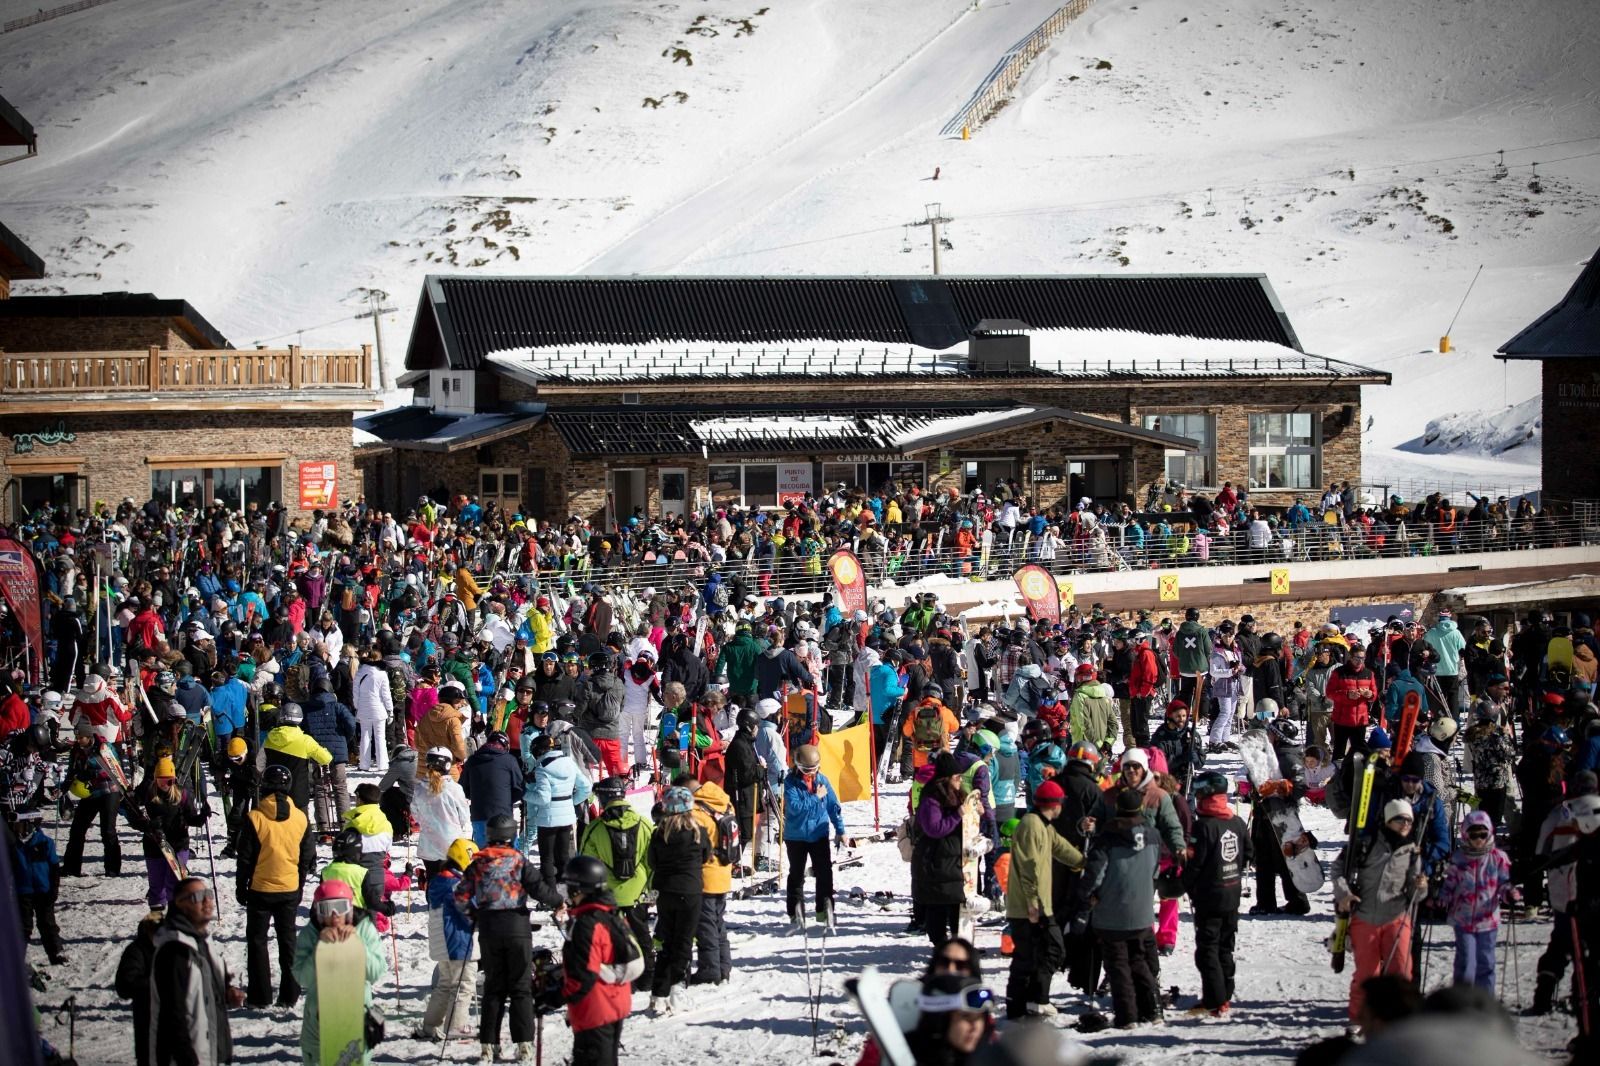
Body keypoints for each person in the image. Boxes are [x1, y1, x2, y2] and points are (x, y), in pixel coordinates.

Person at [454, 813, 550, 1061]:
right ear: (512, 834)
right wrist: (559, 901)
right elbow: (538, 888)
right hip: (517, 927)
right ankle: (523, 1045)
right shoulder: (519, 860)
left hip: (489, 928)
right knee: (520, 988)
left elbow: (461, 896)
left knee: (494, 989)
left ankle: (488, 1045)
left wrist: (474, 914)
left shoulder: (479, 862)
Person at [1333, 798, 1429, 1021]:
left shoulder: (1412, 851)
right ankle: (1360, 1019)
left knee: (1402, 973)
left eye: (1409, 820)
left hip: (1397, 917)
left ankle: (1400, 1019)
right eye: (1400, 820)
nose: (1405, 824)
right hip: (1366, 918)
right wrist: (1344, 893)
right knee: (1368, 975)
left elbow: (1417, 895)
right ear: (1388, 821)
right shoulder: (1367, 843)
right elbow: (1339, 868)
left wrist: (1421, 887)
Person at [1080, 788, 1163, 1029]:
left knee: (1117, 964)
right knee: (1138, 959)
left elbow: (1096, 873)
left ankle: (1128, 1016)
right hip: (1142, 907)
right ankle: (1154, 1008)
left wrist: (1086, 896)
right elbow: (1156, 870)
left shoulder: (1108, 836)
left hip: (1112, 909)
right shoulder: (1153, 834)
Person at [1002, 779, 1084, 1020]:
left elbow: (1061, 848)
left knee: (1047, 950)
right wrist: (1032, 903)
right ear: (1054, 804)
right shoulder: (1031, 825)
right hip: (1028, 906)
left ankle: (1036, 999)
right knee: (1031, 956)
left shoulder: (1044, 826)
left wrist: (1084, 862)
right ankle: (1017, 1006)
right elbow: (1030, 867)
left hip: (1038, 904)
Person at [236, 764, 313, 1007]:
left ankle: (260, 995)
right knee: (288, 940)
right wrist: (299, 884)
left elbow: (245, 857)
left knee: (257, 941)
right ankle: (290, 993)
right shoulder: (300, 818)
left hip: (260, 888)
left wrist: (241, 885)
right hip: (288, 887)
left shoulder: (255, 817)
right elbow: (307, 856)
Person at [557, 855, 643, 1066]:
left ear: (578, 890)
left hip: (595, 1008)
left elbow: (584, 973)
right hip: (614, 1002)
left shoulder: (587, 924)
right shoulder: (610, 913)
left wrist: (557, 995)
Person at [290, 878, 386, 1066]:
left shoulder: (365, 929)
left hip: (356, 1017)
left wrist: (356, 943)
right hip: (318, 1023)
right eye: (327, 909)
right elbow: (302, 978)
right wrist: (320, 947)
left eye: (340, 907)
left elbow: (375, 973)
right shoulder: (310, 934)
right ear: (318, 912)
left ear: (349, 909)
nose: (335, 916)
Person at [151, 877, 244, 1066]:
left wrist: (226, 993)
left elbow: (201, 990)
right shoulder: (175, 951)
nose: (207, 901)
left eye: (208, 895)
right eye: (197, 897)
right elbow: (173, 1016)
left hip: (209, 1052)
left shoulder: (202, 941)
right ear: (180, 904)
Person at [1181, 770, 1251, 1017]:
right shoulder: (1237, 822)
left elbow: (1194, 865)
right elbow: (1249, 855)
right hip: (1231, 894)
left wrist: (1182, 885)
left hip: (1209, 897)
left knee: (1207, 950)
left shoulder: (1204, 827)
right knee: (1225, 946)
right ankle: (1225, 994)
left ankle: (1215, 999)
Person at [579, 776, 657, 992]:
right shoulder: (644, 824)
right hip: (638, 891)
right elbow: (652, 861)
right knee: (642, 935)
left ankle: (617, 979)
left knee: (610, 938)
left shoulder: (595, 828)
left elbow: (586, 864)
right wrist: (648, 889)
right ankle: (647, 975)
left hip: (608, 895)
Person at [646, 785, 711, 1014]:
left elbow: (651, 862)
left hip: (665, 892)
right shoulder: (698, 831)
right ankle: (675, 989)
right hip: (690, 891)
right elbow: (707, 856)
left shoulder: (659, 833)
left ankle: (658, 993)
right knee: (683, 943)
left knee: (666, 941)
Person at [1436, 810, 1513, 993]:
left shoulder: (1497, 858)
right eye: (1473, 834)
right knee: (1467, 961)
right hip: (1463, 919)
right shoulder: (1459, 858)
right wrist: (1441, 898)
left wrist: (1509, 893)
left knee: (1486, 961)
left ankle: (1485, 1002)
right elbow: (1450, 884)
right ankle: (1463, 1000)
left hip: (1488, 920)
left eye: (1483, 834)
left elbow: (1503, 882)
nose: (1478, 839)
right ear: (1465, 834)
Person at [415, 838, 479, 1041]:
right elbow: (470, 912)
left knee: (445, 984)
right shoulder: (456, 886)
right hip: (457, 942)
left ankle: (430, 1025)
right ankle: (456, 1027)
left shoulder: (439, 881)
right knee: (463, 984)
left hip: (442, 942)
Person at [1248, 719, 1312, 915]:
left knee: (1285, 859)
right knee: (1264, 859)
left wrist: (1280, 788)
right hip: (1265, 813)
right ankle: (1266, 902)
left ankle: (1298, 900)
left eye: (1271, 733)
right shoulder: (1273, 754)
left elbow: (1301, 785)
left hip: (1281, 817)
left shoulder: (1287, 757)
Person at [783, 743, 846, 933]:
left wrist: (840, 830)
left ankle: (823, 910)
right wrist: (816, 798)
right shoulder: (790, 783)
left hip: (818, 834)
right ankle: (796, 912)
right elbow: (795, 807)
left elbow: (833, 805)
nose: (810, 774)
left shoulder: (823, 781)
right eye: (806, 770)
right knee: (797, 874)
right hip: (796, 836)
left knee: (825, 873)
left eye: (813, 770)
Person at [913, 753, 972, 948]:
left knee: (957, 903)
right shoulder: (931, 799)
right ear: (946, 778)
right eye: (957, 777)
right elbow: (934, 828)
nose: (960, 780)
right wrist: (958, 815)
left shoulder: (957, 793)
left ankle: (959, 944)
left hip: (954, 859)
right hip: (934, 859)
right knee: (937, 904)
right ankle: (940, 945)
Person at [523, 733, 591, 886]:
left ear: (538, 752)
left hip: (547, 819)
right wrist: (570, 802)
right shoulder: (569, 762)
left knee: (547, 858)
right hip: (567, 817)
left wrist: (525, 794)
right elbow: (586, 787)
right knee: (563, 855)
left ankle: (550, 892)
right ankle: (568, 889)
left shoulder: (542, 768)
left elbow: (543, 798)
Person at [61, 718, 124, 877]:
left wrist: (92, 773)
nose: (78, 740)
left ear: (88, 736)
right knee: (77, 829)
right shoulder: (76, 749)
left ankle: (112, 869)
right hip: (90, 792)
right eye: (77, 737)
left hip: (109, 791)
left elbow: (115, 769)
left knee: (107, 830)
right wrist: (65, 785)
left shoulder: (104, 747)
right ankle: (71, 867)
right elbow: (72, 769)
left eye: (81, 737)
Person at [689, 775, 737, 984]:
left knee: (705, 925)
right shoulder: (725, 803)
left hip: (705, 874)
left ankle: (710, 970)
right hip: (723, 871)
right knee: (718, 922)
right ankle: (723, 966)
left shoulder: (696, 813)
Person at [8, 810, 65, 964]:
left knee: (47, 924)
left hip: (43, 891)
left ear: (29, 825)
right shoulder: (13, 847)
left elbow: (54, 869)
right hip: (22, 892)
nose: (15, 829)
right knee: (23, 927)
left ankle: (56, 953)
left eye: (18, 825)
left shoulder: (45, 842)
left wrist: (53, 890)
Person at [903, 972, 996, 1066]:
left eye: (979, 1018)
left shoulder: (992, 1059)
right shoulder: (900, 1055)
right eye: (966, 1016)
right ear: (939, 1021)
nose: (975, 1027)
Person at [413, 747, 473, 884]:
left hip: (428, 845)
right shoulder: (454, 789)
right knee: (452, 881)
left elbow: (416, 816)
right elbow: (464, 817)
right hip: (452, 845)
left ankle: (433, 904)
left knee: (433, 880)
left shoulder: (420, 788)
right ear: (447, 765)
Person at [262, 703, 333, 817]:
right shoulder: (305, 741)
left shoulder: (269, 738)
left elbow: (260, 763)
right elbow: (326, 758)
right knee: (301, 827)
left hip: (273, 793)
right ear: (300, 719)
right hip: (298, 794)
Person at [462, 729, 524, 847]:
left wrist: (477, 796)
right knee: (509, 856)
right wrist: (507, 799)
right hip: (504, 818)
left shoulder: (472, 761)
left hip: (479, 814)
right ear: (505, 745)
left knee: (484, 857)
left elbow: (464, 788)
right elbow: (520, 788)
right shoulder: (509, 760)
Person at [115, 914, 162, 1066]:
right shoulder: (136, 951)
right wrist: (156, 983)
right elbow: (125, 985)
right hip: (147, 1020)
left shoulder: (169, 948)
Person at [1326, 644, 1379, 762]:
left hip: (1360, 720)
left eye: (1362, 658)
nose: (1360, 661)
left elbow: (1374, 694)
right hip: (1342, 720)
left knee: (1359, 753)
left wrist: (1370, 695)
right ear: (1350, 657)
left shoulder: (1369, 673)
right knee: (1339, 752)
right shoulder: (1339, 672)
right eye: (1357, 658)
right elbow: (1329, 693)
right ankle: (1337, 776)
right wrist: (1347, 695)